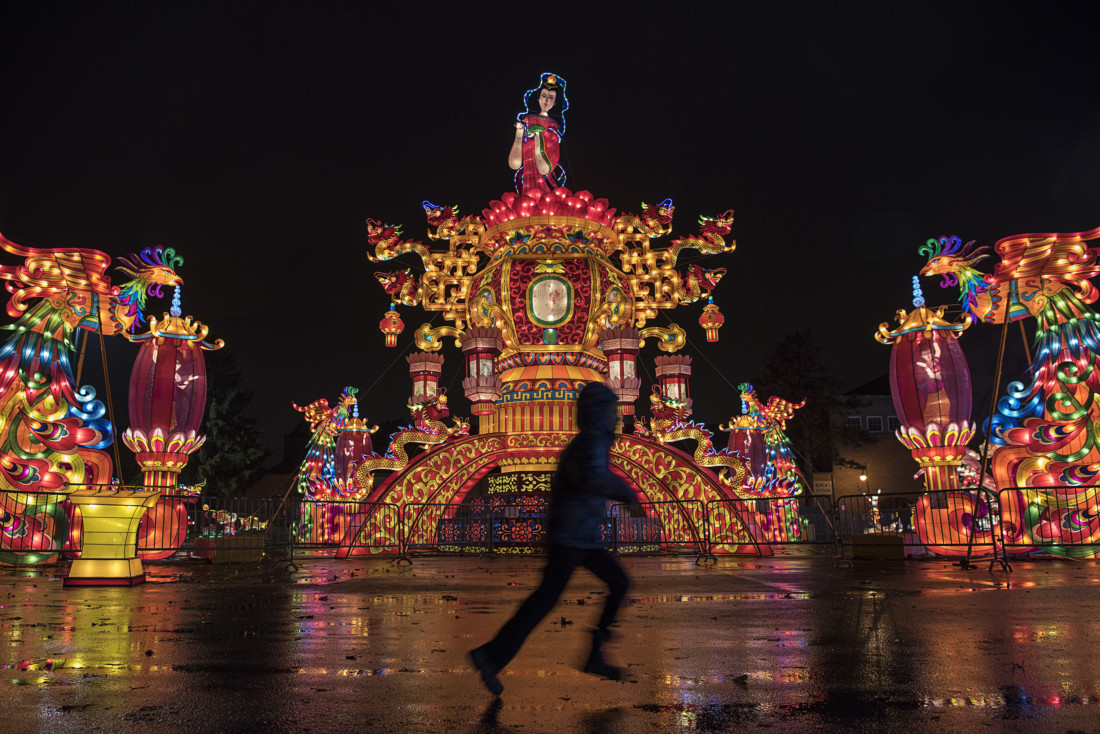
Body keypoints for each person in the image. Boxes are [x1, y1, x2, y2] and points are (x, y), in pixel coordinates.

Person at [470, 382, 639, 696]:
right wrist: (626, 492)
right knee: (547, 600)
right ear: (596, 413)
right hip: (570, 537)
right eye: (610, 412)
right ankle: (492, 656)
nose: (615, 418)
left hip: (581, 536)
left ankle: (593, 651)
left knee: (602, 586)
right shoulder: (590, 442)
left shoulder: (591, 441)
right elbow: (590, 477)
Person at [508, 73, 568, 195]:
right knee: (527, 194)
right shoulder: (528, 119)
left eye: (551, 98)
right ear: (538, 98)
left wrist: (539, 135)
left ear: (555, 103)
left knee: (546, 195)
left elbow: (553, 145)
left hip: (543, 164)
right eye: (544, 95)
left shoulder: (553, 125)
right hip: (527, 165)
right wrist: (519, 132)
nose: (546, 100)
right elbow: (514, 162)